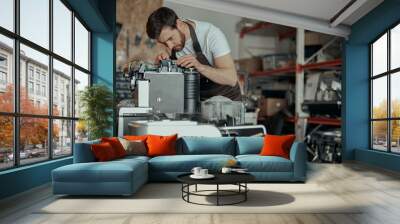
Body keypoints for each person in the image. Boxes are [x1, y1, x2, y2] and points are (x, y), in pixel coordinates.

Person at [146, 7, 241, 101]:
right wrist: (160, 68)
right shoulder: (168, 42)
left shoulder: (210, 35)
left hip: (228, 103)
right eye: (164, 43)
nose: (169, 46)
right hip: (201, 104)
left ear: (179, 24)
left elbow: (231, 78)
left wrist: (200, 67)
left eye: (170, 38)